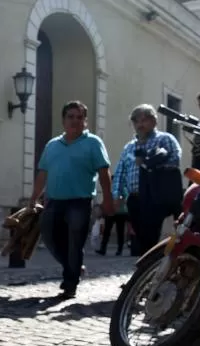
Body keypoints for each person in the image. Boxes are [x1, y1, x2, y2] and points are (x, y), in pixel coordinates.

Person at [30, 101, 114, 298]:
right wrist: (33, 197)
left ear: (85, 121)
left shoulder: (93, 143)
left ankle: (70, 283)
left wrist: (107, 199)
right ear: (63, 120)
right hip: (53, 200)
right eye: (71, 116)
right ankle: (73, 265)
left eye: (79, 117)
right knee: (49, 236)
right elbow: (43, 173)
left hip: (80, 201)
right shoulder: (52, 145)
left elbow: (104, 172)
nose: (75, 121)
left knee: (75, 242)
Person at [111, 104, 182, 256]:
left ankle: (152, 267)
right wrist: (117, 195)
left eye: (144, 120)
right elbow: (120, 172)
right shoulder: (129, 147)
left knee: (151, 237)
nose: (140, 124)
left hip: (155, 196)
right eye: (136, 121)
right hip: (135, 199)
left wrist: (150, 162)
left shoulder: (165, 139)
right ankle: (146, 267)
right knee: (141, 238)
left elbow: (175, 159)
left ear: (154, 121)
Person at [96, 185, 128, 256]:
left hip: (120, 212)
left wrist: (119, 199)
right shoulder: (110, 190)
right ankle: (103, 249)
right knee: (107, 230)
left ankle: (119, 250)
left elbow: (125, 197)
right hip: (111, 212)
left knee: (120, 231)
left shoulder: (123, 189)